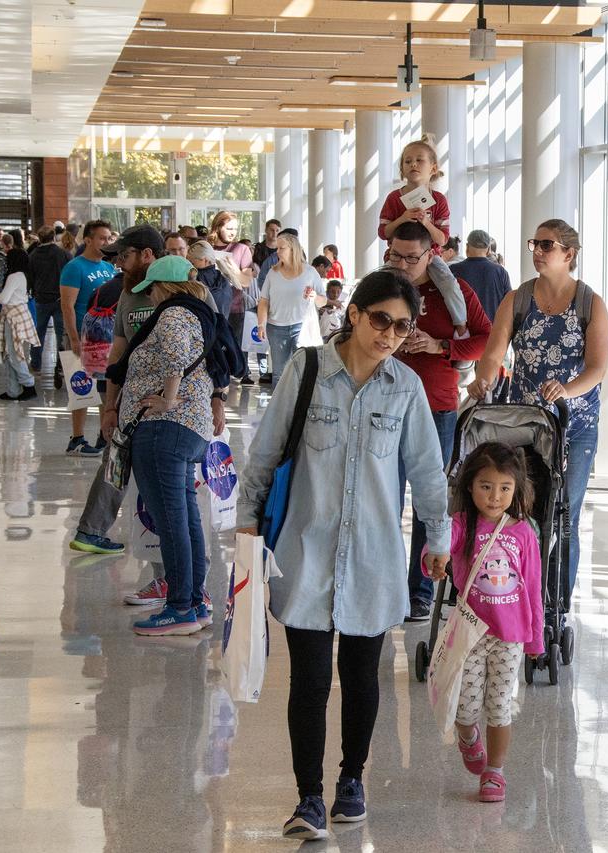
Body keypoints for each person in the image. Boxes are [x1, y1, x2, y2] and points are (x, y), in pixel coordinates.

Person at [236, 270, 451, 840]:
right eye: (380, 319)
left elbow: (429, 470)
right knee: (308, 680)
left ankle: (351, 779)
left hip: (374, 559)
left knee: (362, 678)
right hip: (306, 551)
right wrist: (245, 527)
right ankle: (307, 797)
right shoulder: (306, 371)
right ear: (354, 314)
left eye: (402, 327)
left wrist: (438, 537)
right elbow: (265, 451)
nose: (389, 334)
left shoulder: (405, 387)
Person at [469, 219, 608, 616]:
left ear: (569, 254)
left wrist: (567, 389)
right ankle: (519, 590)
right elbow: (494, 354)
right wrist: (483, 380)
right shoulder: (518, 299)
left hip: (574, 425)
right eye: (534, 243)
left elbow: (598, 367)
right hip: (525, 423)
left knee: (566, 511)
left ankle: (557, 604)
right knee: (524, 507)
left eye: (547, 244)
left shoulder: (589, 303)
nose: (538, 251)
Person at [68, 229, 224, 563]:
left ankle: (181, 583)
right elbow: (117, 357)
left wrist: (217, 400)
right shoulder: (127, 295)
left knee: (175, 504)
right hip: (134, 407)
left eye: (124, 256)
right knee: (122, 467)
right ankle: (94, 532)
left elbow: (215, 350)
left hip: (178, 418)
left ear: (147, 256)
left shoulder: (193, 294)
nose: (120, 264)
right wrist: (110, 406)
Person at [108, 256, 225, 637]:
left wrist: (168, 399)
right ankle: (193, 600)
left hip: (166, 429)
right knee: (185, 518)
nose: (151, 296)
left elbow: (175, 356)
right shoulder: (200, 313)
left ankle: (179, 608)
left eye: (153, 288)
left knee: (172, 522)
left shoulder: (174, 314)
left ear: (167, 286)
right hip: (188, 430)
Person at [425, 441, 543, 804]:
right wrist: (434, 559)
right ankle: (467, 738)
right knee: (465, 708)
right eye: (486, 487)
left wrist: (535, 639)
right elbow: (438, 549)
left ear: (516, 489)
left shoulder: (523, 533)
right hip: (471, 633)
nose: (495, 497)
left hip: (509, 636)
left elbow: (534, 589)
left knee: (499, 706)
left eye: (505, 488)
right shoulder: (461, 525)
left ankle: (496, 771)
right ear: (470, 486)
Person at [386, 221, 493, 621]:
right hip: (386, 407)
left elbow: (486, 335)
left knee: (431, 503)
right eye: (395, 255)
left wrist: (440, 345)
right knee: (385, 498)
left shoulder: (454, 292)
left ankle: (421, 590)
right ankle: (387, 583)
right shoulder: (384, 286)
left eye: (411, 257)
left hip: (437, 406)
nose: (402, 264)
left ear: (432, 253)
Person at [378, 137, 468, 337]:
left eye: (420, 160)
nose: (413, 165)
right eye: (408, 161)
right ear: (402, 169)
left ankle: (461, 326)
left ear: (433, 168)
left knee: (449, 283)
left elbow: (443, 240)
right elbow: (384, 232)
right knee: (377, 287)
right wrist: (402, 218)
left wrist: (426, 222)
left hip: (430, 256)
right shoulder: (394, 198)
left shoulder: (439, 200)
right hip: (396, 256)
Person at [60, 219, 116, 455]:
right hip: (83, 336)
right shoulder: (75, 267)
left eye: (108, 238)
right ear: (88, 240)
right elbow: (67, 305)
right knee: (81, 387)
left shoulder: (109, 267)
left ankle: (104, 436)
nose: (106, 242)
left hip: (106, 338)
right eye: (101, 238)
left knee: (105, 389)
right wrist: (74, 338)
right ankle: (77, 437)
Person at [257, 233, 323, 377]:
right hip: (275, 328)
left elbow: (323, 300)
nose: (277, 252)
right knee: (279, 373)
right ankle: (280, 400)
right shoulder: (272, 273)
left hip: (301, 326)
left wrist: (314, 296)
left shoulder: (310, 272)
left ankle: (302, 399)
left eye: (281, 248)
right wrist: (261, 324)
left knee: (303, 369)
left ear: (293, 249)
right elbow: (264, 300)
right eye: (277, 248)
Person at [208, 211, 260, 385]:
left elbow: (246, 281)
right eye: (229, 228)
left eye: (235, 229)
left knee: (231, 347)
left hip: (234, 308)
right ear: (218, 227)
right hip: (209, 307)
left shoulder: (241, 249)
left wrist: (234, 270)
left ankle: (226, 385)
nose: (233, 232)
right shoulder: (206, 247)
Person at [0, 239, 39, 401]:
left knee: (13, 354)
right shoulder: (24, 275)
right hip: (21, 315)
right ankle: (13, 389)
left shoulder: (14, 276)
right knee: (13, 353)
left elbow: (4, 298)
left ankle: (28, 385)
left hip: (12, 317)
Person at [28, 225, 71, 382]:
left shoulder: (33, 255)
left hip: (41, 299)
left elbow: (30, 277)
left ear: (39, 238)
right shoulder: (63, 254)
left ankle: (36, 364)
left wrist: (35, 290)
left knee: (38, 333)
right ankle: (62, 366)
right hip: (60, 299)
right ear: (53, 237)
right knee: (62, 335)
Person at [450, 229, 512, 323]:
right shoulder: (501, 272)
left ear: (467, 247)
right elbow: (509, 304)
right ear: (488, 250)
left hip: (464, 332)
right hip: (493, 331)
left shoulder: (454, 270)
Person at [187, 240, 237, 319]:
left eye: (192, 263)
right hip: (223, 326)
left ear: (205, 260)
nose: (189, 266)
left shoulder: (194, 279)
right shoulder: (224, 280)